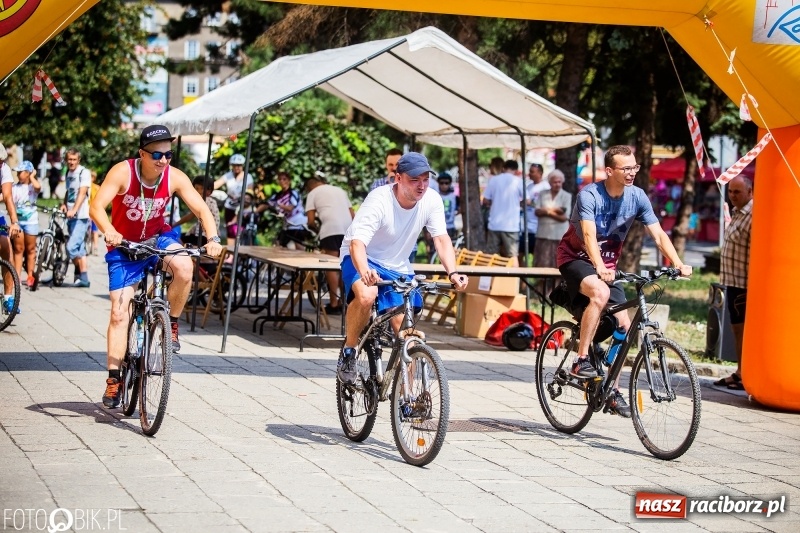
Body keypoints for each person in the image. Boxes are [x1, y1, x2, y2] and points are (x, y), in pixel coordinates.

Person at [89, 124, 224, 409]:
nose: (163, 160)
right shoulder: (123, 172)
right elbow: (97, 207)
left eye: (168, 154)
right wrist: (109, 229)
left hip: (158, 238)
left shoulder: (174, 177)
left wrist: (212, 238)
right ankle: (114, 380)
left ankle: (171, 323)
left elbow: (201, 209)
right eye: (156, 155)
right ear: (142, 153)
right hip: (124, 246)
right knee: (118, 312)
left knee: (185, 267)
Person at [555, 145, 692, 417]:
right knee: (600, 294)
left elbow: (658, 234)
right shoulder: (590, 195)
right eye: (625, 168)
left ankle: (613, 390)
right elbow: (589, 236)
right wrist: (600, 267)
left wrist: (677, 263)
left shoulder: (637, 197)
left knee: (624, 323)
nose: (631, 173)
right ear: (609, 170)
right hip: (576, 258)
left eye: (635, 167)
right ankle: (581, 360)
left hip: (607, 266)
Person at [336, 152, 469, 384]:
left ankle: (408, 398)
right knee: (367, 295)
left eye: (426, 179)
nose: (422, 185)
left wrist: (453, 272)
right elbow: (358, 243)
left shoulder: (432, 200)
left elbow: (441, 239)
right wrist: (366, 270)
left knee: (406, 334)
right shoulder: (379, 200)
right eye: (414, 179)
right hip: (362, 256)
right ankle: (349, 351)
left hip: (398, 264)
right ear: (397, 178)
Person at [713, 176, 753, 391]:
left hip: (745, 283)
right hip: (732, 281)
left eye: (738, 192)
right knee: (737, 329)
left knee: (743, 330)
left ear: (750, 191)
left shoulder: (753, 214)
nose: (733, 196)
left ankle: (746, 373)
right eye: (730, 192)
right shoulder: (737, 213)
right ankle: (740, 372)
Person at [305, 174, 354, 315]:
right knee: (345, 265)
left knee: (331, 267)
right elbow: (352, 215)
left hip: (330, 230)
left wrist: (315, 230)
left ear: (310, 187)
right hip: (349, 230)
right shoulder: (340, 190)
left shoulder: (312, 194)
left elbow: (310, 221)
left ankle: (334, 304)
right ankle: (346, 303)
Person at [62, 148, 92, 287]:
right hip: (70, 215)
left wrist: (74, 209)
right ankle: (84, 278)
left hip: (81, 215)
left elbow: (82, 193)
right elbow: (69, 191)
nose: (71, 162)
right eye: (69, 159)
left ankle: (80, 274)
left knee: (71, 247)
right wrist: (64, 204)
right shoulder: (69, 172)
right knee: (79, 248)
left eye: (74, 159)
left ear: (78, 160)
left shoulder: (83, 172)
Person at [482, 159, 522, 261]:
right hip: (511, 226)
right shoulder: (518, 181)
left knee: (491, 256)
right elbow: (528, 200)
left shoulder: (494, 180)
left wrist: (495, 202)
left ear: (504, 168)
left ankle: (488, 277)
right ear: (516, 170)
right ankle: (515, 277)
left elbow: (485, 200)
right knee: (512, 256)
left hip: (495, 224)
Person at [10, 161, 41, 288]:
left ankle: (30, 275)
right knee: (18, 249)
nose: (18, 174)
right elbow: (5, 196)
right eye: (17, 172)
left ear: (28, 173)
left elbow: (38, 187)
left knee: (31, 249)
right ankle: (17, 276)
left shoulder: (32, 187)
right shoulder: (15, 187)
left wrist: (32, 177)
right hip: (18, 223)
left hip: (31, 222)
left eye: (20, 172)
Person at [533, 170, 572, 268]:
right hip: (543, 234)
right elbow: (537, 212)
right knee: (542, 264)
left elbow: (564, 217)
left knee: (558, 265)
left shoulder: (566, 196)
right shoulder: (542, 194)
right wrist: (556, 210)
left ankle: (557, 284)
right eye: (555, 182)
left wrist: (546, 211)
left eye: (559, 182)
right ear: (550, 182)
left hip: (559, 235)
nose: (557, 184)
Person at [0, 143, 22, 314]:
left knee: (6, 249)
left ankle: (8, 298)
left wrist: (14, 221)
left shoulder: (4, 168)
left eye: (2, 161)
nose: (0, 164)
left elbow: (7, 196)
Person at [213, 153, 253, 240]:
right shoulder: (228, 175)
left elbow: (250, 191)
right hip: (230, 206)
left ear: (242, 165)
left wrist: (243, 198)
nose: (236, 167)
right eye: (234, 165)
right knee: (230, 229)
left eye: (239, 165)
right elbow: (215, 185)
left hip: (242, 207)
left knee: (242, 230)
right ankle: (230, 251)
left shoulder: (248, 176)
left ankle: (241, 250)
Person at [267, 171, 308, 249]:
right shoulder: (277, 195)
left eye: (284, 179)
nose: (282, 181)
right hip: (288, 225)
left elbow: (290, 208)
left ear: (289, 181)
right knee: (279, 244)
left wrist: (277, 204)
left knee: (299, 246)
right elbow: (267, 203)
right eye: (280, 179)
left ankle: (305, 260)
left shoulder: (293, 193)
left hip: (298, 224)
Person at [176, 176, 221, 247]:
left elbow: (190, 216)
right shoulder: (211, 201)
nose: (199, 191)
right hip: (208, 234)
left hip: (205, 235)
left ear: (209, 191)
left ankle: (185, 254)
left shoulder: (205, 201)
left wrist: (174, 224)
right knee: (184, 237)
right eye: (196, 188)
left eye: (202, 188)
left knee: (177, 238)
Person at [519, 163, 549, 265]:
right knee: (520, 254)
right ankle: (521, 280)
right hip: (525, 227)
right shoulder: (528, 187)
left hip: (538, 228)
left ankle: (537, 279)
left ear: (540, 173)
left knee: (537, 256)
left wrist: (530, 203)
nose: (530, 174)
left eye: (532, 172)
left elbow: (546, 206)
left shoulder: (546, 187)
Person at [437, 172, 459, 241]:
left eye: (446, 183)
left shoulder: (454, 197)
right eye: (441, 183)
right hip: (438, 229)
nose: (444, 185)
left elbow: (460, 209)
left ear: (450, 184)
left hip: (450, 228)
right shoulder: (436, 196)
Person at [89, 170, 101, 254]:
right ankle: (88, 245)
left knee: (94, 230)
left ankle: (96, 247)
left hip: (94, 211)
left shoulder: (96, 188)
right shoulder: (85, 187)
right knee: (88, 230)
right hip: (87, 211)